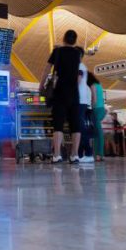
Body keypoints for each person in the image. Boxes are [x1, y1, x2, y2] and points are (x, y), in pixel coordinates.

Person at [41, 30, 82, 164]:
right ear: (75, 40)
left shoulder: (57, 52)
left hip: (59, 92)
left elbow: (47, 69)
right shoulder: (78, 53)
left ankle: (57, 155)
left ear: (64, 38)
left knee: (58, 125)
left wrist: (41, 85)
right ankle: (74, 155)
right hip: (74, 93)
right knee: (75, 125)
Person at [76, 49, 94, 164]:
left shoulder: (79, 66)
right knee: (79, 128)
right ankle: (81, 154)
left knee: (80, 128)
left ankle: (87, 153)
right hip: (81, 101)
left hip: (79, 100)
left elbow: (77, 80)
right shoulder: (81, 66)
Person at [88, 72, 106, 161]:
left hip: (96, 109)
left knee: (97, 133)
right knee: (97, 132)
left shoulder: (92, 85)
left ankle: (99, 154)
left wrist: (89, 106)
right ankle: (98, 154)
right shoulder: (99, 84)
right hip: (101, 109)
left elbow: (94, 100)